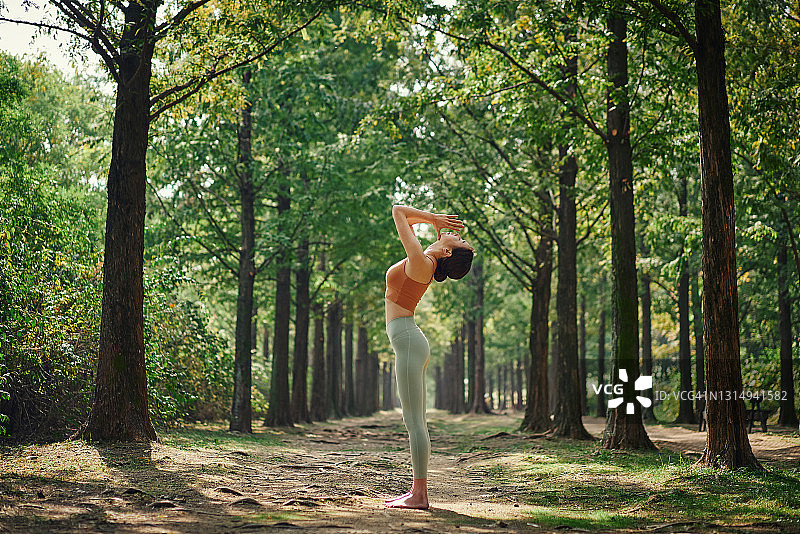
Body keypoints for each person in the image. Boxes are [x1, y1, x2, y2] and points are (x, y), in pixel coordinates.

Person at [384, 205, 474, 509]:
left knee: (414, 422)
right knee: (414, 420)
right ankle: (416, 491)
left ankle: (419, 494)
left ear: (448, 253)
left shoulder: (422, 263)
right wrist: (437, 225)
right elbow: (405, 217)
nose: (458, 235)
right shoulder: (426, 261)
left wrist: (433, 219)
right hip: (408, 340)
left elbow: (399, 212)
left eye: (460, 241)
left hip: (409, 341)